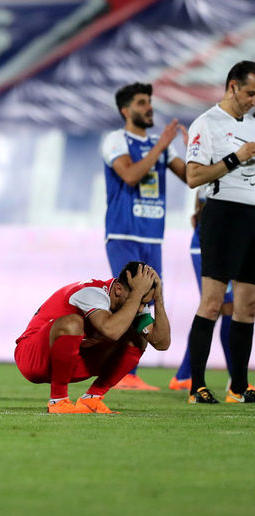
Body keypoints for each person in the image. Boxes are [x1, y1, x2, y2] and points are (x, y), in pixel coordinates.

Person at [101, 82, 186, 390]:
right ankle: (123, 373)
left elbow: (192, 177)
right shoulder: (116, 140)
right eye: (141, 102)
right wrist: (161, 146)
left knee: (147, 302)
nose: (149, 107)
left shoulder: (160, 144)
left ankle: (129, 371)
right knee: (129, 300)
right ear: (126, 110)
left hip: (153, 237)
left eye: (149, 101)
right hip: (124, 233)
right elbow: (130, 174)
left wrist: (199, 153)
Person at [183, 61, 255, 404]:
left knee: (248, 305)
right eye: (250, 93)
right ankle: (196, 386)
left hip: (253, 218)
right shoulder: (206, 124)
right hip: (223, 214)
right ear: (232, 87)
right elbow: (193, 177)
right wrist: (235, 158)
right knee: (212, 303)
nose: (254, 100)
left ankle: (238, 388)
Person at [14, 262, 170, 413]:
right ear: (118, 289)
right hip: (33, 357)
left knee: (138, 336)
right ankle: (58, 400)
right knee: (73, 323)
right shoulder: (92, 292)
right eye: (140, 301)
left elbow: (161, 343)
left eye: (145, 303)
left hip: (68, 360)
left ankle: (91, 399)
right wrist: (136, 296)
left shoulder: (132, 302)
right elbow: (111, 331)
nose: (141, 308)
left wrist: (159, 300)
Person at [168, 190, 233, 391]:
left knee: (218, 309)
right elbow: (203, 203)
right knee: (222, 306)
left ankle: (183, 375)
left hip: (231, 248)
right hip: (209, 248)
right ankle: (235, 379)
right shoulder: (219, 164)